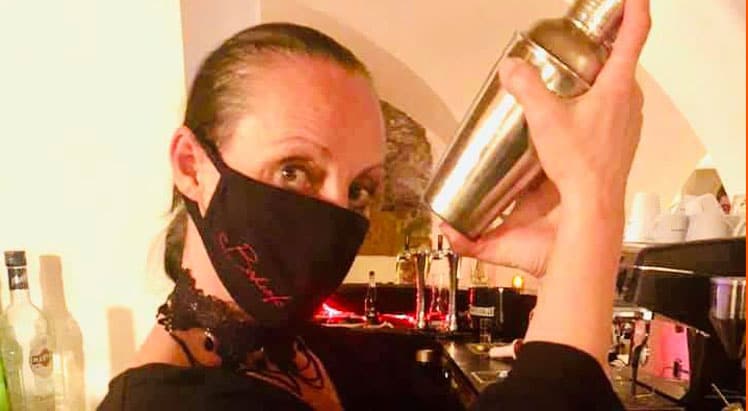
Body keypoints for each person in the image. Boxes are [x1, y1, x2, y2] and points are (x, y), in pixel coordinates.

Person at [99, 0, 651, 409]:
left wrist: (562, 263)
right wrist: (594, 204)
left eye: (359, 189)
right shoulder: (159, 403)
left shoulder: (338, 357)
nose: (334, 214)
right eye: (294, 171)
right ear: (191, 165)